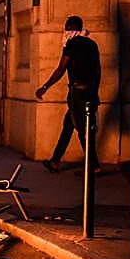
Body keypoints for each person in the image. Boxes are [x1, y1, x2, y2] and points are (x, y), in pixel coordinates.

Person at [36, 15, 101, 174]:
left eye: (66, 28)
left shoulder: (71, 44)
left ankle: (93, 165)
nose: (64, 32)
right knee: (69, 125)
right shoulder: (92, 44)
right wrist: (94, 91)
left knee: (82, 130)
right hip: (89, 92)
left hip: (77, 93)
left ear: (70, 29)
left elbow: (61, 69)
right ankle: (55, 161)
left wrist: (45, 86)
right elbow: (98, 70)